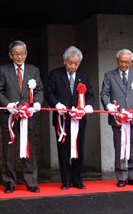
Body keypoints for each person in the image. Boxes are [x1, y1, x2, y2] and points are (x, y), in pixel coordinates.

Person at [0, 40, 43, 194]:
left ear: (26, 54)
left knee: (29, 151)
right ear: (10, 55)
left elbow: (39, 90)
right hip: (10, 117)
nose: (19, 56)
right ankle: (9, 181)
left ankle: (31, 181)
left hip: (28, 117)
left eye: (22, 53)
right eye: (16, 53)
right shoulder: (3, 70)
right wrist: (8, 105)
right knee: (9, 151)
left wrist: (36, 103)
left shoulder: (34, 70)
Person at [45, 46, 95, 190]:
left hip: (79, 120)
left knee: (78, 150)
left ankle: (77, 180)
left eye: (76, 63)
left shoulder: (84, 76)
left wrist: (88, 105)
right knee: (64, 151)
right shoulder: (55, 74)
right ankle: (66, 181)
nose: (73, 66)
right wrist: (57, 104)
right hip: (62, 120)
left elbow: (90, 95)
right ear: (64, 61)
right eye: (70, 63)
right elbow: (49, 93)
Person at [100, 48, 133, 187]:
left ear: (131, 62)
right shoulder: (109, 75)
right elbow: (104, 93)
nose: (124, 64)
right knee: (120, 147)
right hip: (118, 118)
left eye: (127, 62)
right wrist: (108, 105)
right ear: (117, 61)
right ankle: (121, 176)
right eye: (121, 61)